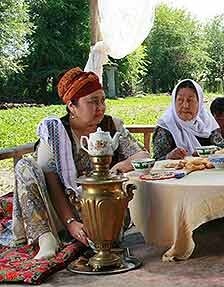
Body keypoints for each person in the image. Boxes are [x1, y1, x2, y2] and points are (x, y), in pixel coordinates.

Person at [10, 67, 150, 259]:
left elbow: (142, 155)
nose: (100, 107)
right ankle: (45, 238)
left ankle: (102, 234)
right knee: (24, 166)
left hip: (103, 206)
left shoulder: (111, 125)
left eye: (102, 101)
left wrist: (119, 167)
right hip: (62, 209)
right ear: (72, 106)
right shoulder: (55, 133)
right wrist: (70, 222)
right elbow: (50, 180)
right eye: (93, 102)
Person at [152, 79, 222, 160]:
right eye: (180, 100)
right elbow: (156, 161)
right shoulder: (166, 126)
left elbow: (222, 150)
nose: (185, 105)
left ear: (199, 103)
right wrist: (169, 157)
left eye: (190, 100)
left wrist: (210, 153)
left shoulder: (208, 122)